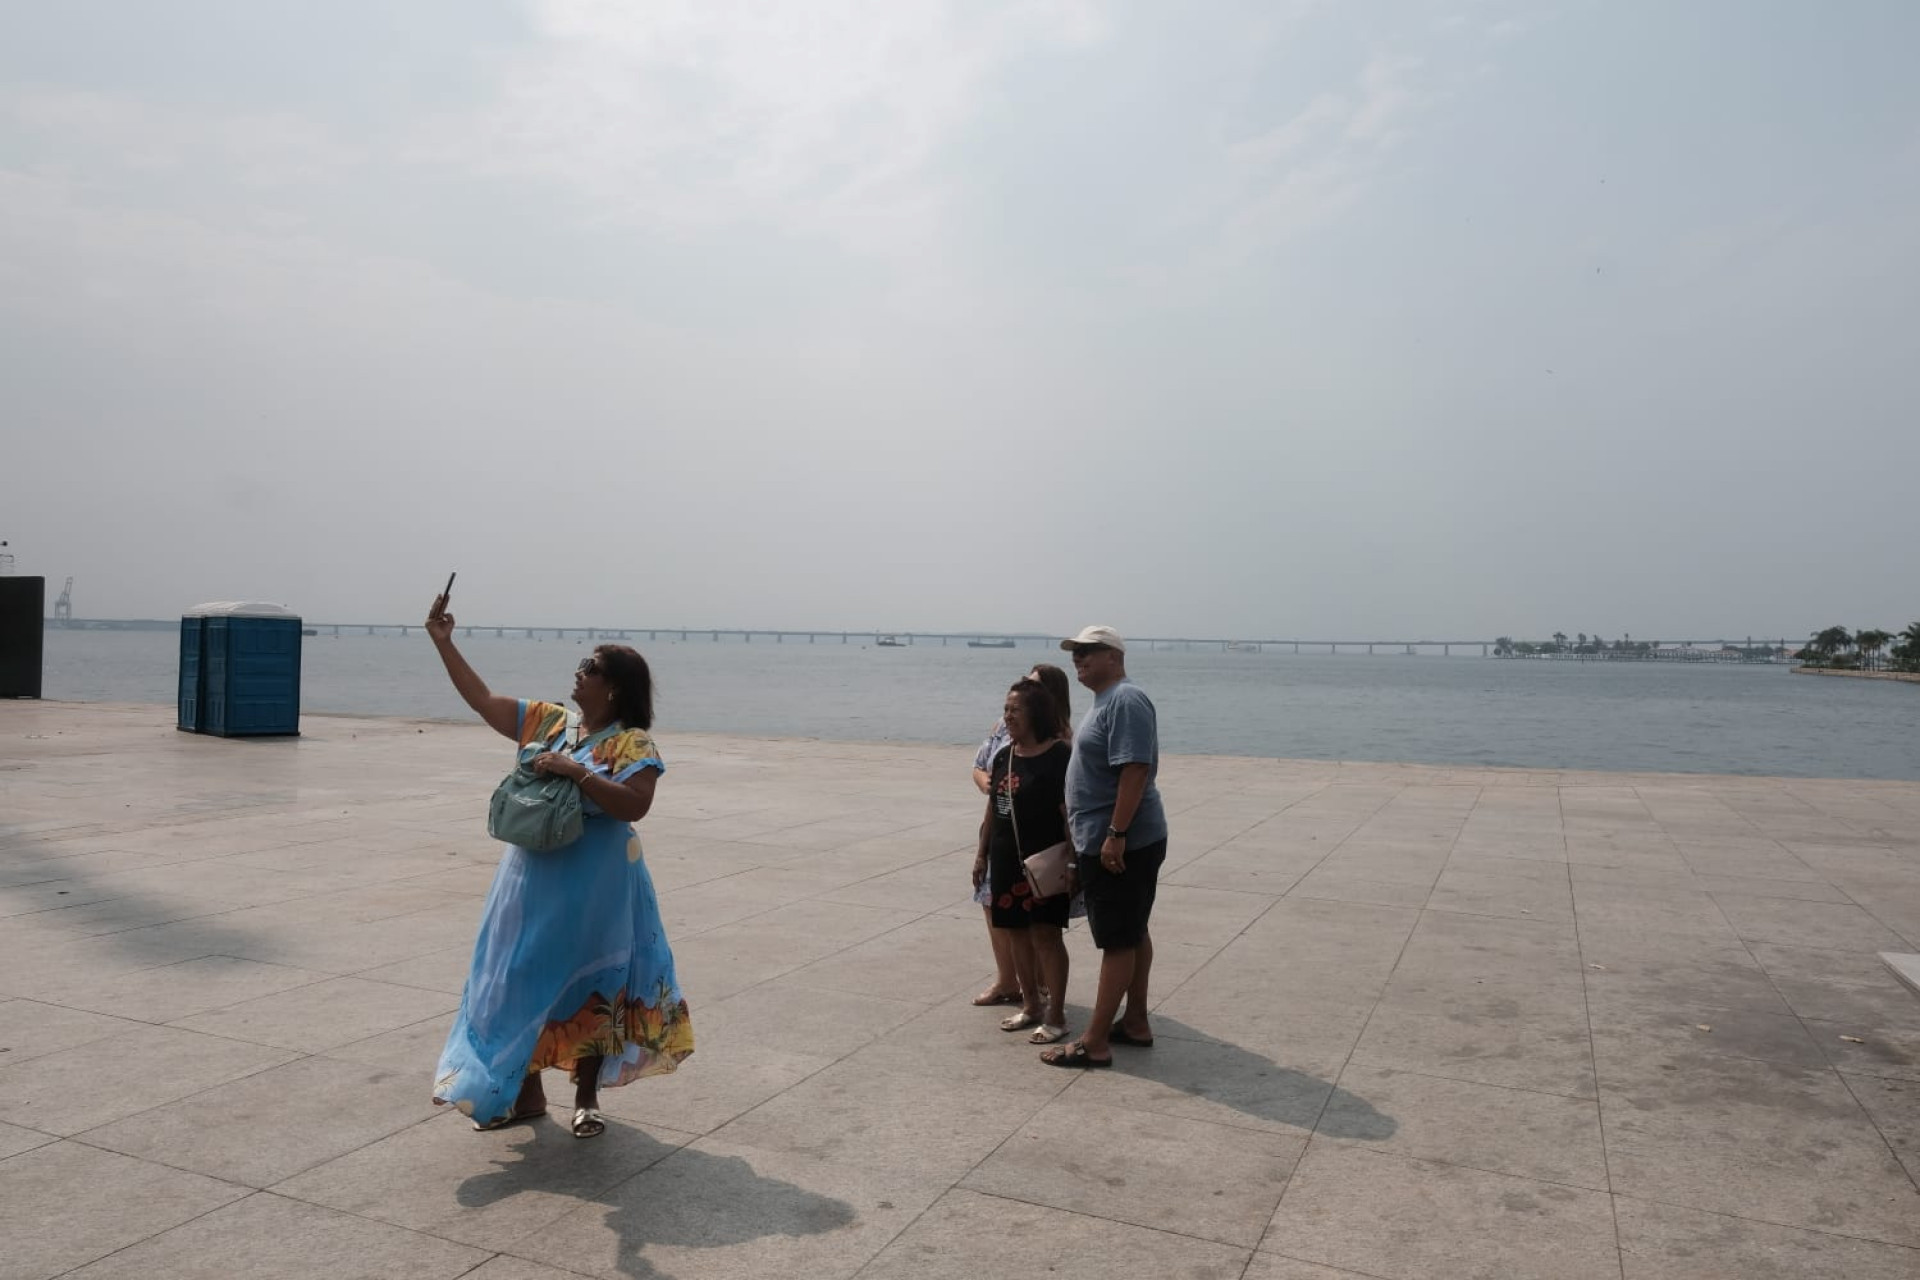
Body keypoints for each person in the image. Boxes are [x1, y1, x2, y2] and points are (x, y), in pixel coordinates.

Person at [424, 592, 693, 1137]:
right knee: (515, 979)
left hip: (597, 885)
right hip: (527, 879)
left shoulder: (630, 742)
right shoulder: (549, 721)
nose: (578, 673)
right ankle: (523, 1095)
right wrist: (443, 643)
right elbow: (483, 700)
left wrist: (578, 773)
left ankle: (587, 1098)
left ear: (613, 686)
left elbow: (635, 804)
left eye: (590, 668)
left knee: (592, 984)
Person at [1041, 626, 1167, 1069]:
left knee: (1117, 940)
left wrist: (1116, 834)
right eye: (1076, 653)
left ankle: (1094, 1042)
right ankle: (1134, 1021)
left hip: (1122, 841)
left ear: (1114, 656)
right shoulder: (1107, 701)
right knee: (1133, 930)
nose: (1079, 659)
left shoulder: (1126, 700)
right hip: (1110, 838)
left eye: (1089, 652)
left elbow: (1135, 769)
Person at [968, 663, 1076, 1006]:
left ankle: (1050, 1005)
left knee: (1044, 932)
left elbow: (1067, 811)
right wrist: (982, 853)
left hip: (1041, 856)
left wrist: (1074, 860)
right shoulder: (1005, 750)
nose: (1008, 715)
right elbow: (989, 788)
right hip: (1003, 850)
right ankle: (1022, 995)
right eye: (1006, 708)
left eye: (1016, 709)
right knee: (1008, 924)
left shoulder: (1060, 750)